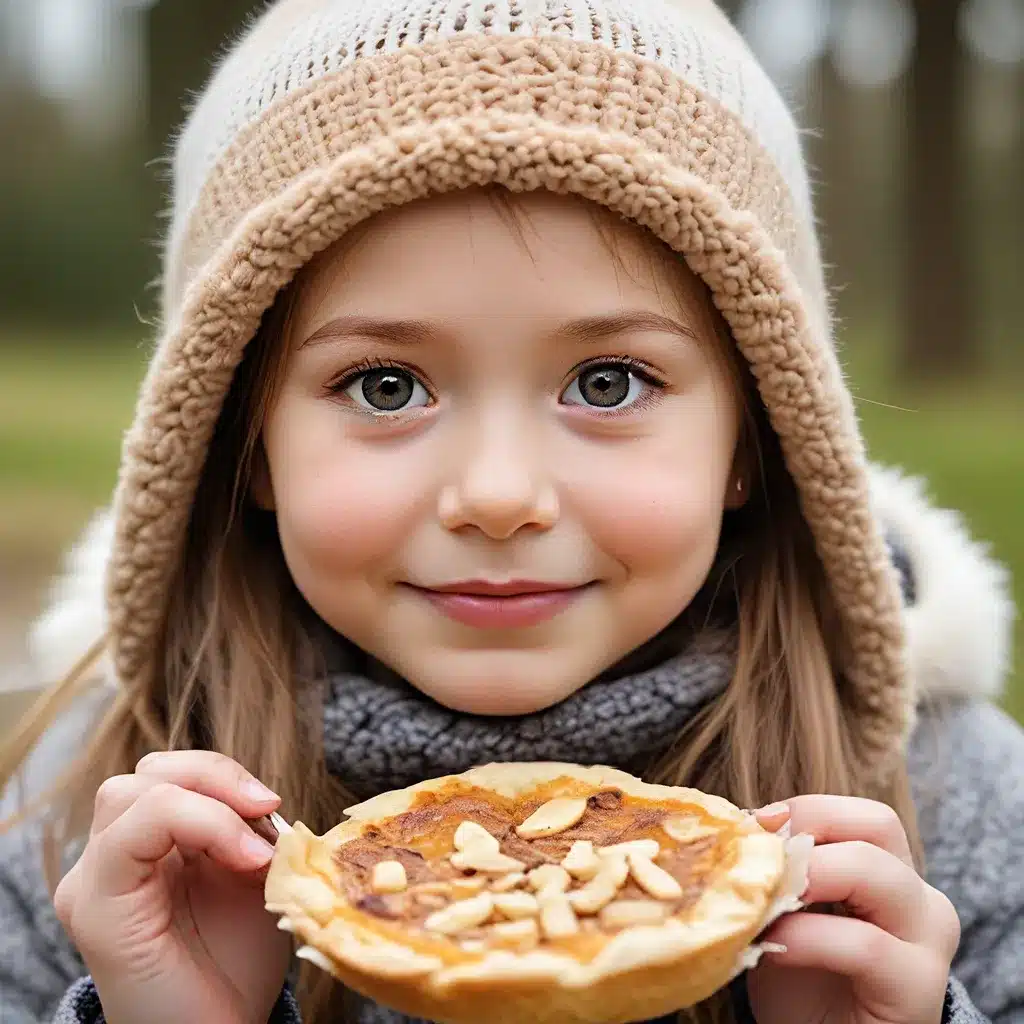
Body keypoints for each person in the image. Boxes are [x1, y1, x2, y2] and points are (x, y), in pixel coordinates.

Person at [1, 0, 1021, 1022]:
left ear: (755, 440)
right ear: (245, 442)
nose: (496, 496)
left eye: (610, 382)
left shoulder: (952, 808)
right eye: (385, 386)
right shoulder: (91, 830)